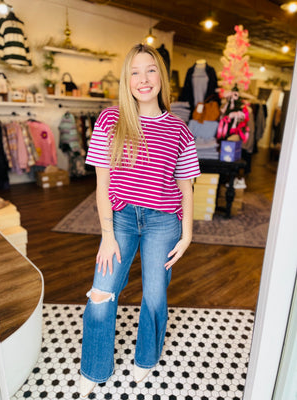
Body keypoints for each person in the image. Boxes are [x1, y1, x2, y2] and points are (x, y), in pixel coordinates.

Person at [79, 43, 201, 399]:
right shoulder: (110, 120)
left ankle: (146, 358)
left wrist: (188, 233)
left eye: (150, 70)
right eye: (134, 71)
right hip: (120, 219)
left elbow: (187, 187)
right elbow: (101, 184)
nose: (143, 79)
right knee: (101, 293)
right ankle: (95, 366)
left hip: (164, 221)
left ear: (161, 77)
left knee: (154, 295)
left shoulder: (180, 131)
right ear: (126, 79)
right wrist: (106, 235)